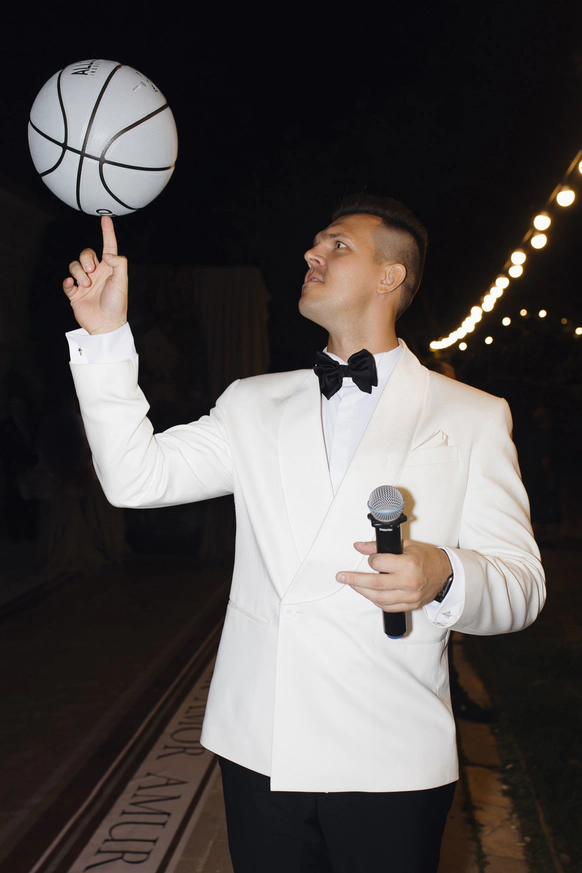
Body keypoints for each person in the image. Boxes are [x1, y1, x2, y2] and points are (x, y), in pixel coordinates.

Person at [63, 195, 545, 872]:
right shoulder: (252, 401)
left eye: (338, 244)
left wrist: (444, 574)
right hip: (264, 745)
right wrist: (106, 337)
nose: (312, 253)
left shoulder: (472, 415)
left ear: (390, 277)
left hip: (390, 752)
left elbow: (522, 587)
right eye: (316, 242)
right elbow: (135, 479)